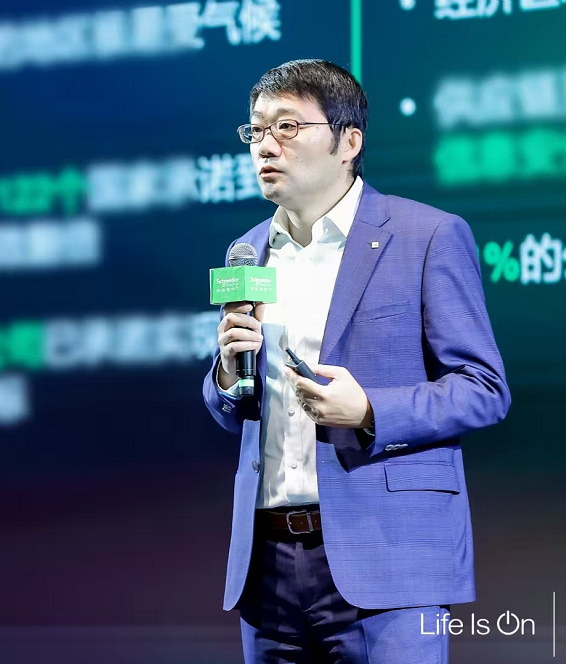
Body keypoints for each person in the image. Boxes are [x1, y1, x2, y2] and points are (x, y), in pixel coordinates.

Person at [202, 59, 511, 663]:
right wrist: (227, 373)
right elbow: (228, 407)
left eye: (287, 127)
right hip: (267, 567)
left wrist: (370, 409)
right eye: (256, 130)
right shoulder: (249, 252)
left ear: (349, 141)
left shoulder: (426, 236)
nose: (265, 145)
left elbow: (484, 387)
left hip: (390, 558)